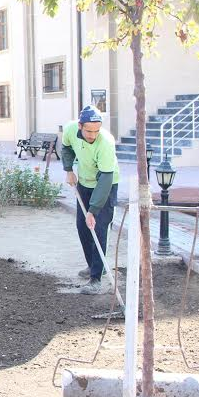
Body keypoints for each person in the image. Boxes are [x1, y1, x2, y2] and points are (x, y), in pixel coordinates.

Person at [61, 105, 120, 295]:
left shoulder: (106, 143)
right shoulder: (70, 129)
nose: (92, 135)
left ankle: (96, 279)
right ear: (80, 126)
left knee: (99, 228)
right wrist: (68, 169)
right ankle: (93, 265)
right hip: (84, 184)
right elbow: (67, 148)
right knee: (82, 227)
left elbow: (105, 178)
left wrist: (93, 210)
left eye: (96, 131)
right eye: (88, 131)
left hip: (106, 185)